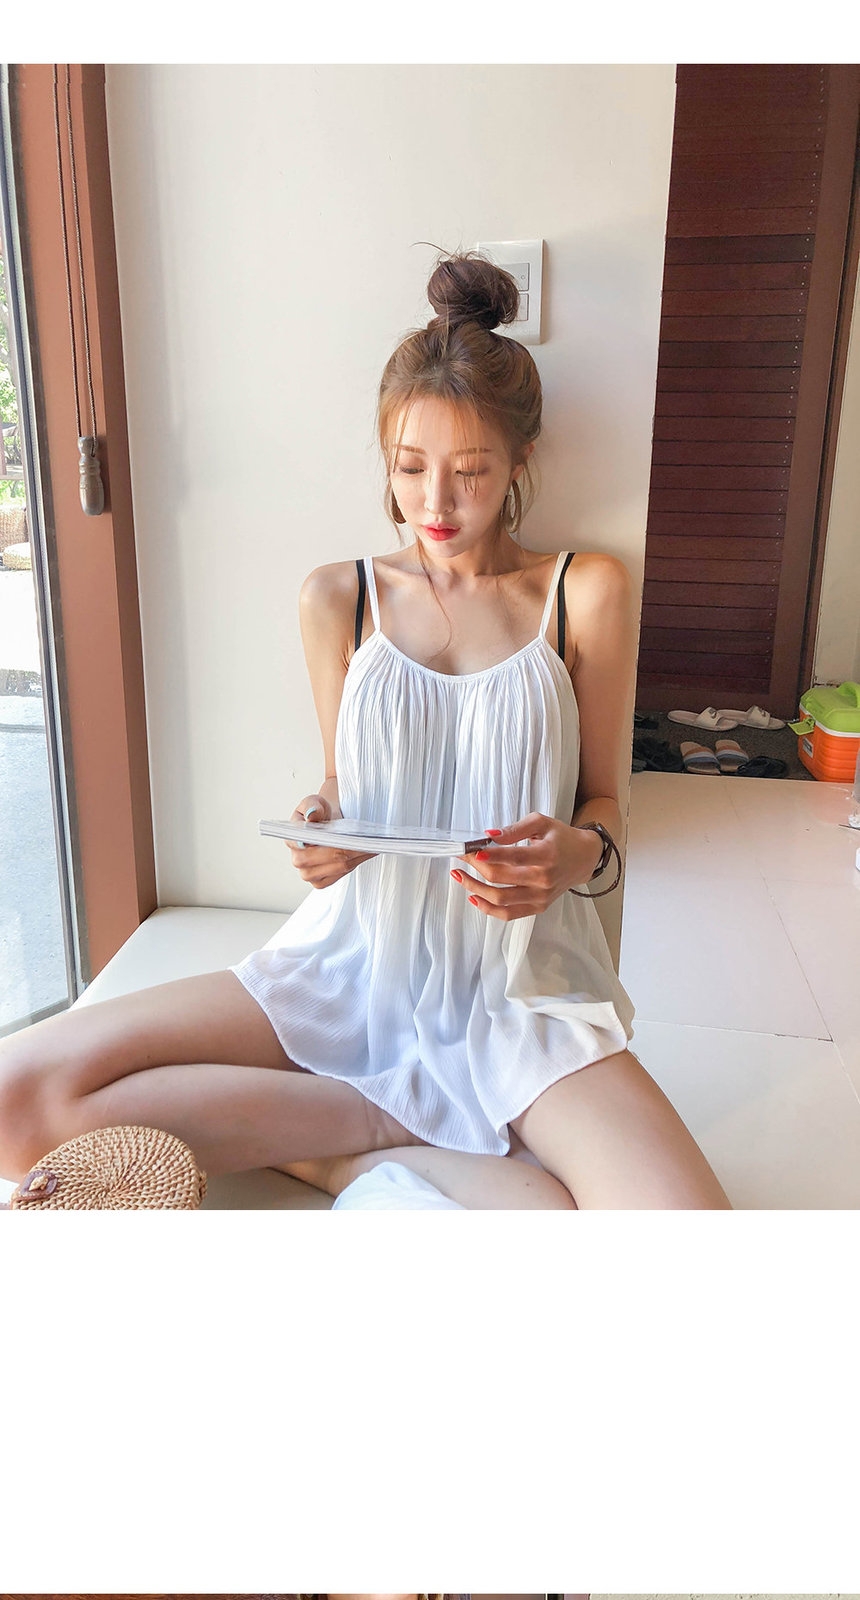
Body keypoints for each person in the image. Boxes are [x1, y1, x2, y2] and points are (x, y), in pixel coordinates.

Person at [0, 253, 729, 1210]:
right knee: (16, 1103)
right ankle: (379, 1127)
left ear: (520, 463)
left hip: (521, 987)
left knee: (686, 1231)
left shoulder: (583, 592)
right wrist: (322, 821)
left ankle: (369, 1125)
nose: (436, 504)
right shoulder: (338, 598)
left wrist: (574, 854)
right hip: (352, 961)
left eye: (471, 472)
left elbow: (605, 803)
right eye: (411, 468)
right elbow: (344, 785)